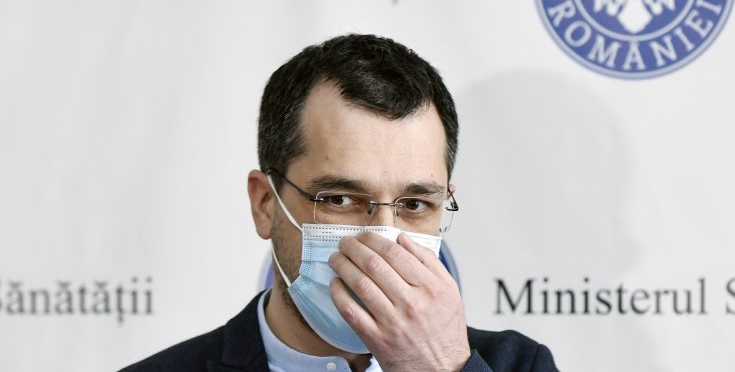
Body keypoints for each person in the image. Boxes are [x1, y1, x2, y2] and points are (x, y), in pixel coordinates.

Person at [122, 34, 557, 371]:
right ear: (265, 204)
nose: (382, 239)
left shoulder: (518, 364)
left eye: (414, 204)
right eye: (341, 198)